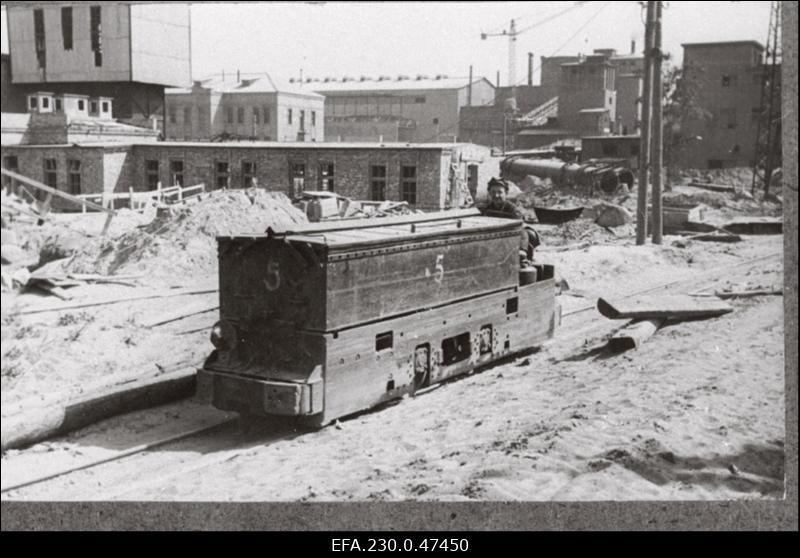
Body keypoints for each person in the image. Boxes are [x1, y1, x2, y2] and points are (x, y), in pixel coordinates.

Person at [479, 177, 540, 262]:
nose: (496, 195)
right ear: (489, 193)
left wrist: (522, 249)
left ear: (506, 193)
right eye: (493, 192)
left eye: (500, 192)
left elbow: (519, 229)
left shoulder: (512, 209)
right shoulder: (487, 209)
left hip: (509, 242)